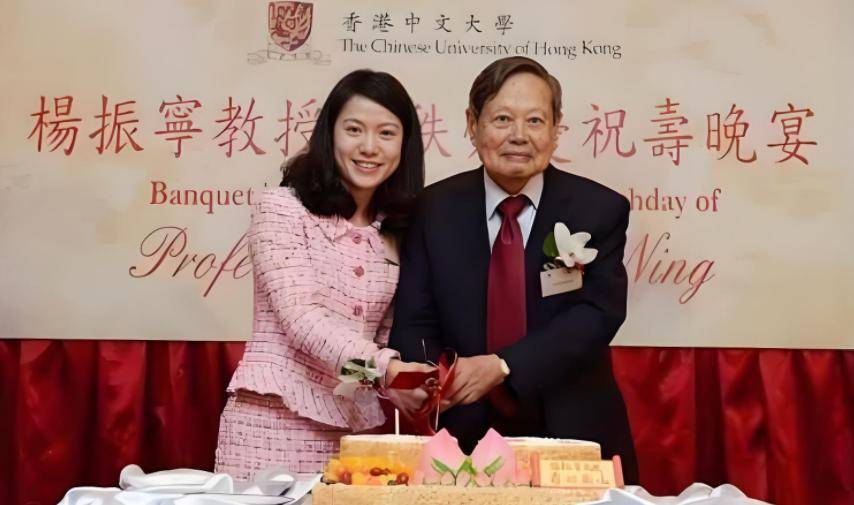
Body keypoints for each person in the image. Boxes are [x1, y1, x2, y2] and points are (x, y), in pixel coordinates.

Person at [389, 57, 639, 483]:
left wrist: (502, 365)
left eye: (535, 120)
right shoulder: (432, 210)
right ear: (472, 124)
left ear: (556, 129)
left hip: (572, 429)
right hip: (461, 435)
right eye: (502, 119)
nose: (519, 135)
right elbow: (415, 320)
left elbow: (598, 315)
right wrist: (433, 380)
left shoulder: (598, 209)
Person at [215, 69, 432, 480]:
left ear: (405, 145)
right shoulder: (281, 208)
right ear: (329, 134)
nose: (369, 147)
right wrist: (387, 369)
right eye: (354, 129)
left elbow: (378, 334)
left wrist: (396, 385)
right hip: (271, 425)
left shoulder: (395, 230)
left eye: (387, 133)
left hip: (352, 437)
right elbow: (302, 320)